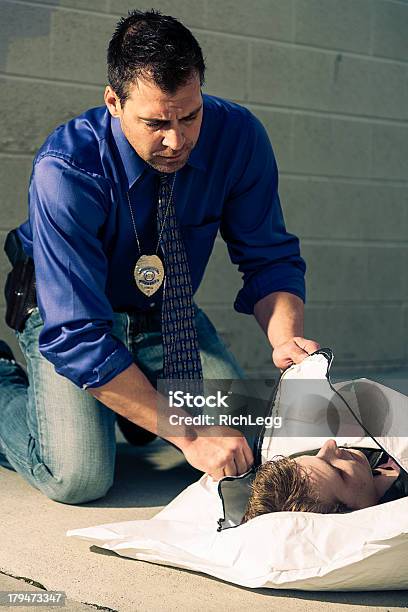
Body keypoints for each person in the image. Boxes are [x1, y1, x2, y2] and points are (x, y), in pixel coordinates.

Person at [0, 9, 319, 505]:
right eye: (155, 123)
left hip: (165, 312)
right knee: (79, 476)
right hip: (68, 313)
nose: (176, 140)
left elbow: (269, 257)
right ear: (113, 101)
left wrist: (284, 338)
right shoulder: (65, 169)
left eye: (189, 115)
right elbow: (78, 334)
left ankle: (134, 406)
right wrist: (189, 435)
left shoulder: (239, 136)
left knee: (250, 445)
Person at [241, 439, 408, 523]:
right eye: (336, 470)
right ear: (352, 514)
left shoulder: (369, 464)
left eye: (317, 455)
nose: (330, 445)